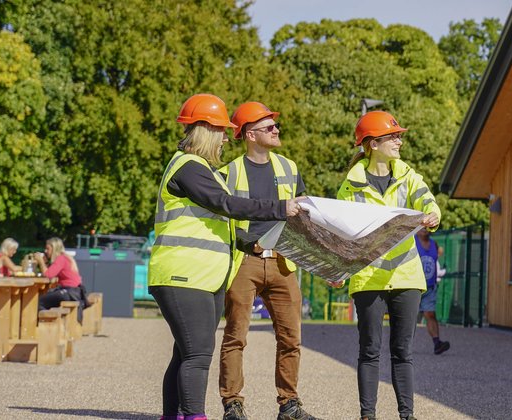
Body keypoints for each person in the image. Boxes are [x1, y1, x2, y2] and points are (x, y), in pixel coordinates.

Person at [149, 93, 304, 420]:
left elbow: (225, 221)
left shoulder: (201, 168)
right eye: (220, 131)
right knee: (197, 354)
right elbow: (228, 204)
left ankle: (172, 416)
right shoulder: (190, 167)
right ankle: (194, 416)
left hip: (200, 277)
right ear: (205, 130)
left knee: (184, 354)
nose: (223, 139)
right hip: (183, 276)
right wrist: (279, 208)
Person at [336, 111, 441, 420]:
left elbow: (428, 200)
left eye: (398, 135)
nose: (399, 140)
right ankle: (367, 415)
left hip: (406, 275)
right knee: (369, 351)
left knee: (402, 352)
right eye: (393, 136)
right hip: (368, 277)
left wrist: (433, 215)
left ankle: (407, 416)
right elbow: (340, 232)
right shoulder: (350, 187)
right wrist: (338, 268)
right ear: (372, 143)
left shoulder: (409, 176)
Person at [217, 102, 314, 420]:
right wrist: (248, 242)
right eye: (269, 126)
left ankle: (289, 404)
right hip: (245, 261)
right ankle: (233, 404)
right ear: (250, 134)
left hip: (284, 263)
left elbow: (304, 216)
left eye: (275, 125)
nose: (276, 129)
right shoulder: (229, 172)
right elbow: (221, 219)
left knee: (291, 338)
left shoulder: (289, 167)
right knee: (235, 335)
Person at [415, 228, 450, 355]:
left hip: (429, 287)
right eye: (421, 226)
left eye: (426, 227)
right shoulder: (412, 242)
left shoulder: (434, 244)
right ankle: (400, 345)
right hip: (413, 287)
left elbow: (435, 264)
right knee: (409, 317)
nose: (424, 229)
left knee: (430, 314)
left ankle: (437, 343)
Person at [34, 237, 85, 315]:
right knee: (46, 298)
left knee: (38, 302)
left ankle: (45, 323)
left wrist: (41, 261)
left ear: (54, 249)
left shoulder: (61, 258)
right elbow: (51, 272)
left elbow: (48, 275)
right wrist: (45, 262)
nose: (45, 251)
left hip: (70, 292)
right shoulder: (65, 257)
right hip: (75, 291)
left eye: (48, 249)